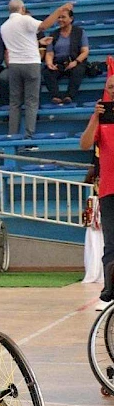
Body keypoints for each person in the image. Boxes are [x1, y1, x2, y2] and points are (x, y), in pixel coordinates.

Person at [0, 0, 73, 138]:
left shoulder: (4, 26)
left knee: (14, 103)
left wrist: (37, 42)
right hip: (30, 63)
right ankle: (28, 136)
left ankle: (12, 135)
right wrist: (60, 9)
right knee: (31, 102)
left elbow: (19, 42)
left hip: (14, 64)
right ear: (22, 8)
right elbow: (44, 26)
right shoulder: (26, 20)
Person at [80, 76, 114, 310]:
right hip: (109, 189)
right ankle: (109, 290)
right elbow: (84, 144)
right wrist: (95, 117)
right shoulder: (101, 120)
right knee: (111, 243)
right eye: (111, 87)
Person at [43, 9, 89, 104]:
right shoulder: (53, 34)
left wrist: (76, 62)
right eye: (58, 17)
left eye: (63, 17)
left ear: (71, 18)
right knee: (47, 72)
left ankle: (69, 96)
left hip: (75, 61)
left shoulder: (80, 32)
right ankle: (56, 96)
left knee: (78, 71)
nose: (60, 19)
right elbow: (49, 53)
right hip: (59, 63)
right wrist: (49, 63)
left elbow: (85, 51)